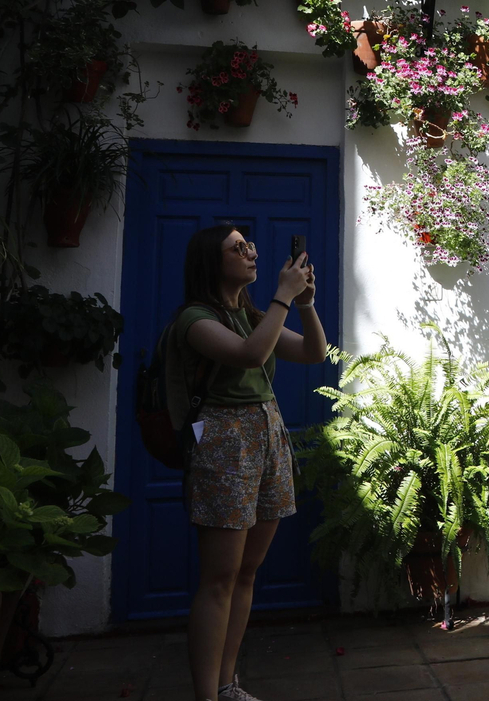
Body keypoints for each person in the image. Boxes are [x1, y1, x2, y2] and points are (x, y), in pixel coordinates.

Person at [168, 225, 328, 701]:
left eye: (251, 244)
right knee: (219, 579)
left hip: (266, 440)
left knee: (246, 573)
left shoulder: (254, 314)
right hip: (224, 445)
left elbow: (315, 353)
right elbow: (248, 354)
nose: (251, 252)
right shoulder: (195, 320)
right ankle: (207, 696)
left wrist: (303, 302)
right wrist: (283, 294)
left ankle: (227, 684)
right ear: (210, 262)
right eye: (238, 247)